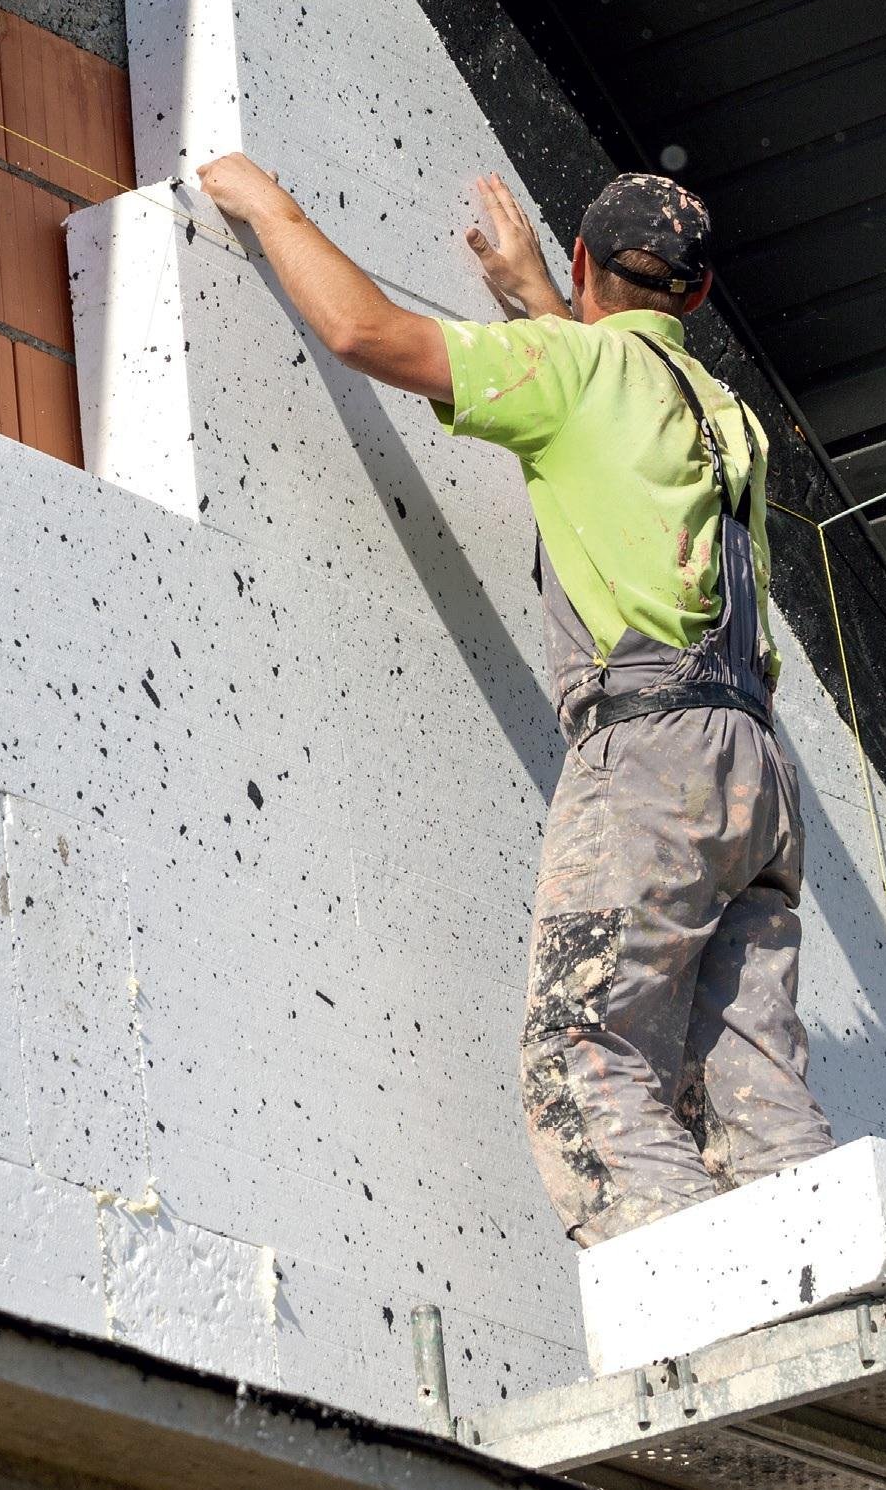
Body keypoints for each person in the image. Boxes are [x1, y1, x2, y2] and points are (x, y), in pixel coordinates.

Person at [193, 151, 835, 1246]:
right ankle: (841, 1283)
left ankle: (699, 1313)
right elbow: (621, 405)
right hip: (754, 775)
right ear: (701, 294)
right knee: (752, 1096)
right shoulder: (728, 414)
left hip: (649, 763)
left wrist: (269, 202)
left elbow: (365, 334)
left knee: (584, 1054)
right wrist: (543, 297)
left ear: (583, 261)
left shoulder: (574, 372)